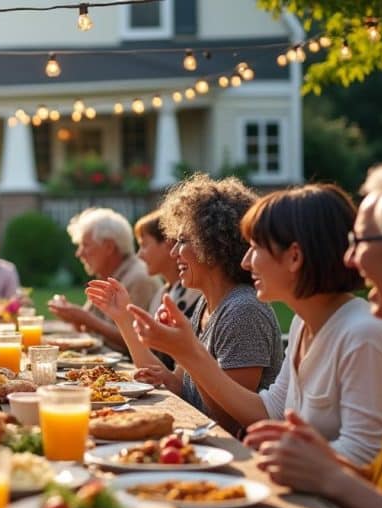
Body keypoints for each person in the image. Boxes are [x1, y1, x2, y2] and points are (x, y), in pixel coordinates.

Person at [109, 185, 382, 465]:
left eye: (256, 247)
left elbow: (364, 455)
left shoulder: (364, 333)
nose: (246, 261)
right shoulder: (303, 323)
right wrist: (186, 351)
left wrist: (189, 353)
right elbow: (269, 412)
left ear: (295, 257)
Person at [245, 154, 382, 508]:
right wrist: (320, 460)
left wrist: (331, 476)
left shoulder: (368, 334)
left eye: (362, 241)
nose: (349, 260)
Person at [85, 175, 283, 433]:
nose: (174, 252)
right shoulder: (205, 304)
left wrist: (185, 352)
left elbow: (226, 423)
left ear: (213, 245)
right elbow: (178, 386)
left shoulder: (243, 311)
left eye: (183, 240)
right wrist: (122, 317)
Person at [48, 207, 161, 349]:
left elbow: (138, 341)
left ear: (109, 247)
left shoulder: (140, 279)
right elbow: (92, 335)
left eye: (86, 245)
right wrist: (75, 318)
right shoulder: (109, 275)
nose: (79, 253)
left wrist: (87, 319)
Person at [132, 210, 202, 369]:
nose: (139, 256)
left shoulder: (199, 297)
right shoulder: (163, 293)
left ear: (168, 243)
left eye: (144, 245)